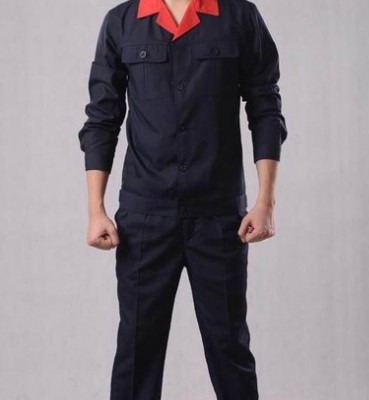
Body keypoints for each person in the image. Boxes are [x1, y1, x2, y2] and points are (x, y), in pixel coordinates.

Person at [78, 0, 288, 399]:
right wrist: (95, 209)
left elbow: (265, 106)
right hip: (145, 216)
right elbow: (102, 118)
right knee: (137, 349)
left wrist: (266, 202)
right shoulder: (122, 22)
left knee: (229, 346)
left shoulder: (239, 16)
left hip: (220, 216)